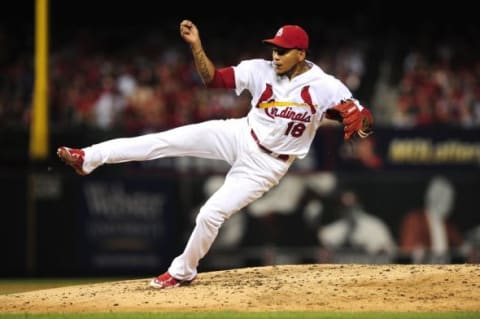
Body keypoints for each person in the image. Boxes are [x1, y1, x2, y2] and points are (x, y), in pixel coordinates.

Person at [57, 20, 374, 289]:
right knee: (163, 140)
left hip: (266, 165)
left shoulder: (326, 86)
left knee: (210, 214)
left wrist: (359, 122)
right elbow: (213, 79)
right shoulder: (258, 69)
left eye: (283, 50)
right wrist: (196, 44)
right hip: (239, 134)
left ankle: (182, 271)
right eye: (274, 48)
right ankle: (88, 157)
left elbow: (364, 124)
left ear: (301, 53)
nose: (275, 55)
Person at [399, 176, 464, 263]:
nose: (451, 203)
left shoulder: (448, 225)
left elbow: (461, 245)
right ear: (433, 197)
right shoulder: (414, 220)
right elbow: (407, 249)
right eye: (447, 197)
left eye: (452, 198)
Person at [317, 189, 397, 261]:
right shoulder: (329, 231)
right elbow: (322, 258)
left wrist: (375, 251)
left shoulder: (376, 225)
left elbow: (391, 253)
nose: (350, 210)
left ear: (359, 204)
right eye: (345, 207)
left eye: (352, 205)